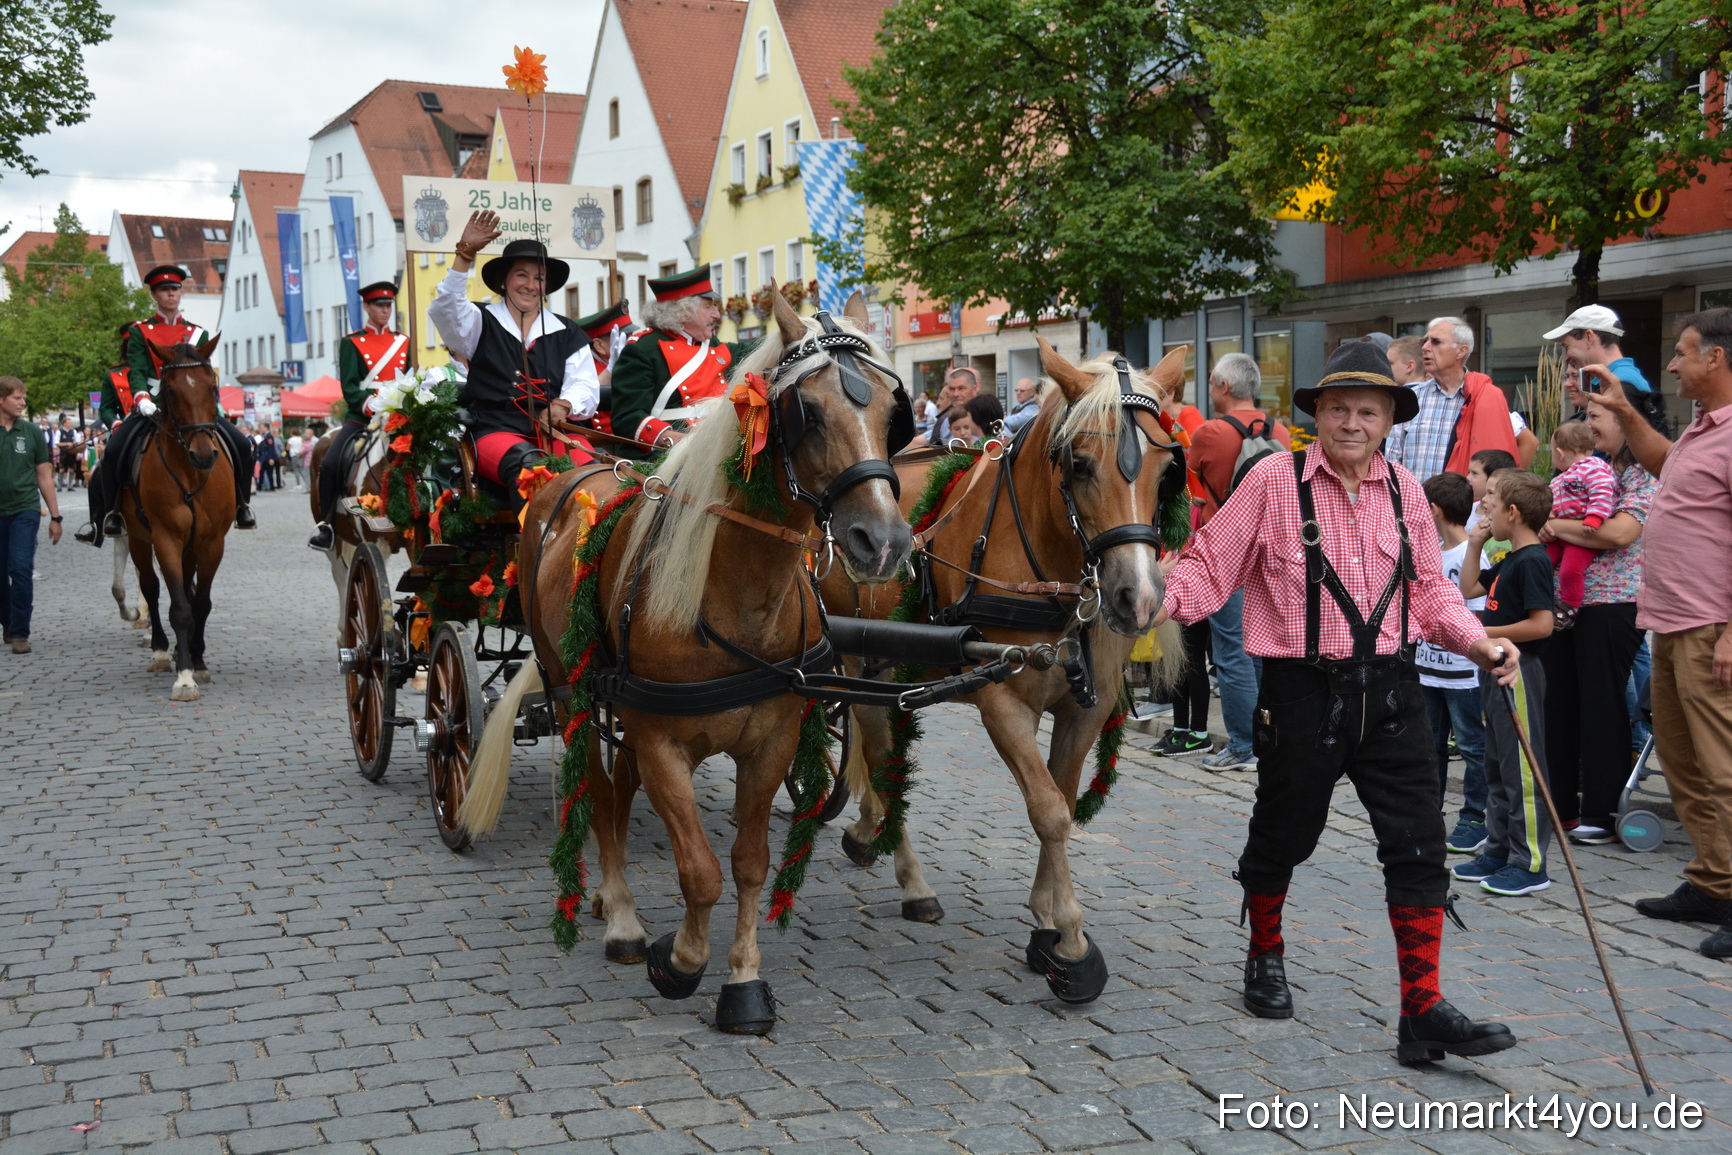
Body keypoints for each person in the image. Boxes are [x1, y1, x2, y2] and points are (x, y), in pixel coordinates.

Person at [1159, 340, 1522, 1062]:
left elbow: (1431, 593)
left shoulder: (1407, 493)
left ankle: (1421, 1008)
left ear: (1389, 418)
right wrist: (1155, 600)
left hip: (1391, 690)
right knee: (1284, 834)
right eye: (1337, 408)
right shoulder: (1272, 482)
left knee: (1419, 844)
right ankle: (1265, 950)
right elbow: (1210, 566)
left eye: (1367, 409)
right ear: (1317, 415)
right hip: (1301, 691)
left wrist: (1479, 642)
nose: (1351, 421)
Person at [1584, 310, 1732, 957]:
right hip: (1670, 622)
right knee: (1683, 764)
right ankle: (1713, 882)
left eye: (1682, 353)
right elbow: (1663, 463)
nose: (1672, 364)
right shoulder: (1703, 431)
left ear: (1717, 360)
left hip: (1711, 627)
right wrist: (1623, 405)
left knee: (1724, 770)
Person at [1538, 396, 1656, 846]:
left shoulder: (1644, 472)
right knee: (1558, 706)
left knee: (1601, 705)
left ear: (1628, 421)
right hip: (1564, 603)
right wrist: (1560, 523)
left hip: (1612, 604)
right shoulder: (1584, 468)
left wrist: (1560, 526)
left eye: (1596, 417)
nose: (1588, 425)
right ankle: (1560, 807)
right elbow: (1548, 514)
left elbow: (1618, 533)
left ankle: (1603, 811)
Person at [81, 265, 255, 543]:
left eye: (175, 289)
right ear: (154, 295)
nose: (170, 294)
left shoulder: (198, 333)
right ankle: (113, 513)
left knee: (243, 446)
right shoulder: (141, 331)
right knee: (113, 451)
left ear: (180, 293)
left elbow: (204, 376)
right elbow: (136, 370)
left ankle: (242, 506)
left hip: (192, 408)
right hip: (154, 407)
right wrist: (141, 398)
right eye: (164, 290)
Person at [428, 212, 599, 491]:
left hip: (553, 433)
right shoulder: (480, 320)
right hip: (495, 431)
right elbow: (446, 308)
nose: (530, 285)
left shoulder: (567, 332)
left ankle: (582, 535)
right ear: (504, 280)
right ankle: (535, 536)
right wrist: (465, 254)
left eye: (539, 278)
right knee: (531, 469)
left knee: (595, 475)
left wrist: (563, 404)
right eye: (522, 275)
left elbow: (585, 385)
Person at [1187, 352, 1291, 771]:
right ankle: (1272, 738)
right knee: (1266, 652)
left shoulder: (1210, 433)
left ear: (1222, 386)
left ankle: (1244, 744)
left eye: (1212, 384)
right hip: (1272, 554)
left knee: (1232, 654)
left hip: (1228, 556)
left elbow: (1190, 480)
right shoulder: (1278, 429)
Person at [1456, 470, 1557, 897]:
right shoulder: (1509, 559)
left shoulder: (1533, 560)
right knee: (1497, 765)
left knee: (1523, 771)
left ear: (1513, 514)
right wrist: (1476, 542)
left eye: (1493, 505)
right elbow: (1467, 586)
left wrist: (1490, 633)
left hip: (1520, 672)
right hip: (1495, 671)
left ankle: (1530, 861)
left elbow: (1542, 625)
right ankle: (1498, 849)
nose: (1485, 508)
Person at [1416, 472, 1489, 855]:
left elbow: (1476, 615)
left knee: (1473, 746)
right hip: (1429, 669)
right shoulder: (1428, 552)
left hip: (1463, 674)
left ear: (1434, 510)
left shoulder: (1469, 555)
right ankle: (1429, 813)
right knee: (1430, 745)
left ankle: (1474, 817)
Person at [308, 282, 409, 550]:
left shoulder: (403, 341)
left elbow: (409, 378)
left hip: (397, 417)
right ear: (366, 306)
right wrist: (369, 404)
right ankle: (328, 524)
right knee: (330, 463)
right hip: (362, 417)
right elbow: (350, 385)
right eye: (379, 305)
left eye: (388, 305)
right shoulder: (351, 342)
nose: (385, 310)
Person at [608, 266, 745, 455]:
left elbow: (760, 351)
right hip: (664, 453)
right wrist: (679, 441)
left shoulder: (712, 345)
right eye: (708, 306)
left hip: (715, 443)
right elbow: (628, 418)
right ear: (683, 312)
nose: (716, 314)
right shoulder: (643, 349)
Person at [1383, 316, 1518, 481]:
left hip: (1465, 504)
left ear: (1461, 351)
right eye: (1425, 341)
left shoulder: (1483, 396)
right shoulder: (1410, 398)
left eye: (1436, 342)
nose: (1425, 347)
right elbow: (1391, 462)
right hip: (1413, 504)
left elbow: (1505, 458)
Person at [0, 377, 62, 654]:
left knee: (21, 568)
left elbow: (44, 475)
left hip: (25, 509)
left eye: (24, 398)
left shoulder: (33, 432)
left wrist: (56, 517)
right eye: (17, 398)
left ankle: (20, 632)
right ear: (1, 400)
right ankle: (9, 622)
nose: (23, 402)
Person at [1544, 421, 1617, 623]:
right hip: (1561, 534)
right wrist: (1548, 513)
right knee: (1542, 562)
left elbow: (1602, 492)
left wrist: (1595, 516)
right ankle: (1540, 600)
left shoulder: (1593, 468)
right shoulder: (1561, 478)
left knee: (1571, 570)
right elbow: (1551, 499)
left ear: (1559, 452)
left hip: (1582, 534)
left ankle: (1570, 606)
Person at [1545, 304, 1651, 392]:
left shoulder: (1619, 383)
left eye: (1567, 347)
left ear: (1589, 338)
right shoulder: (1617, 378)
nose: (1566, 358)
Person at [927, 366, 982, 446]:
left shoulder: (986, 416)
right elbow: (933, 452)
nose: (956, 394)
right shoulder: (945, 421)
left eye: (961, 388)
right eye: (952, 389)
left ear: (975, 389)